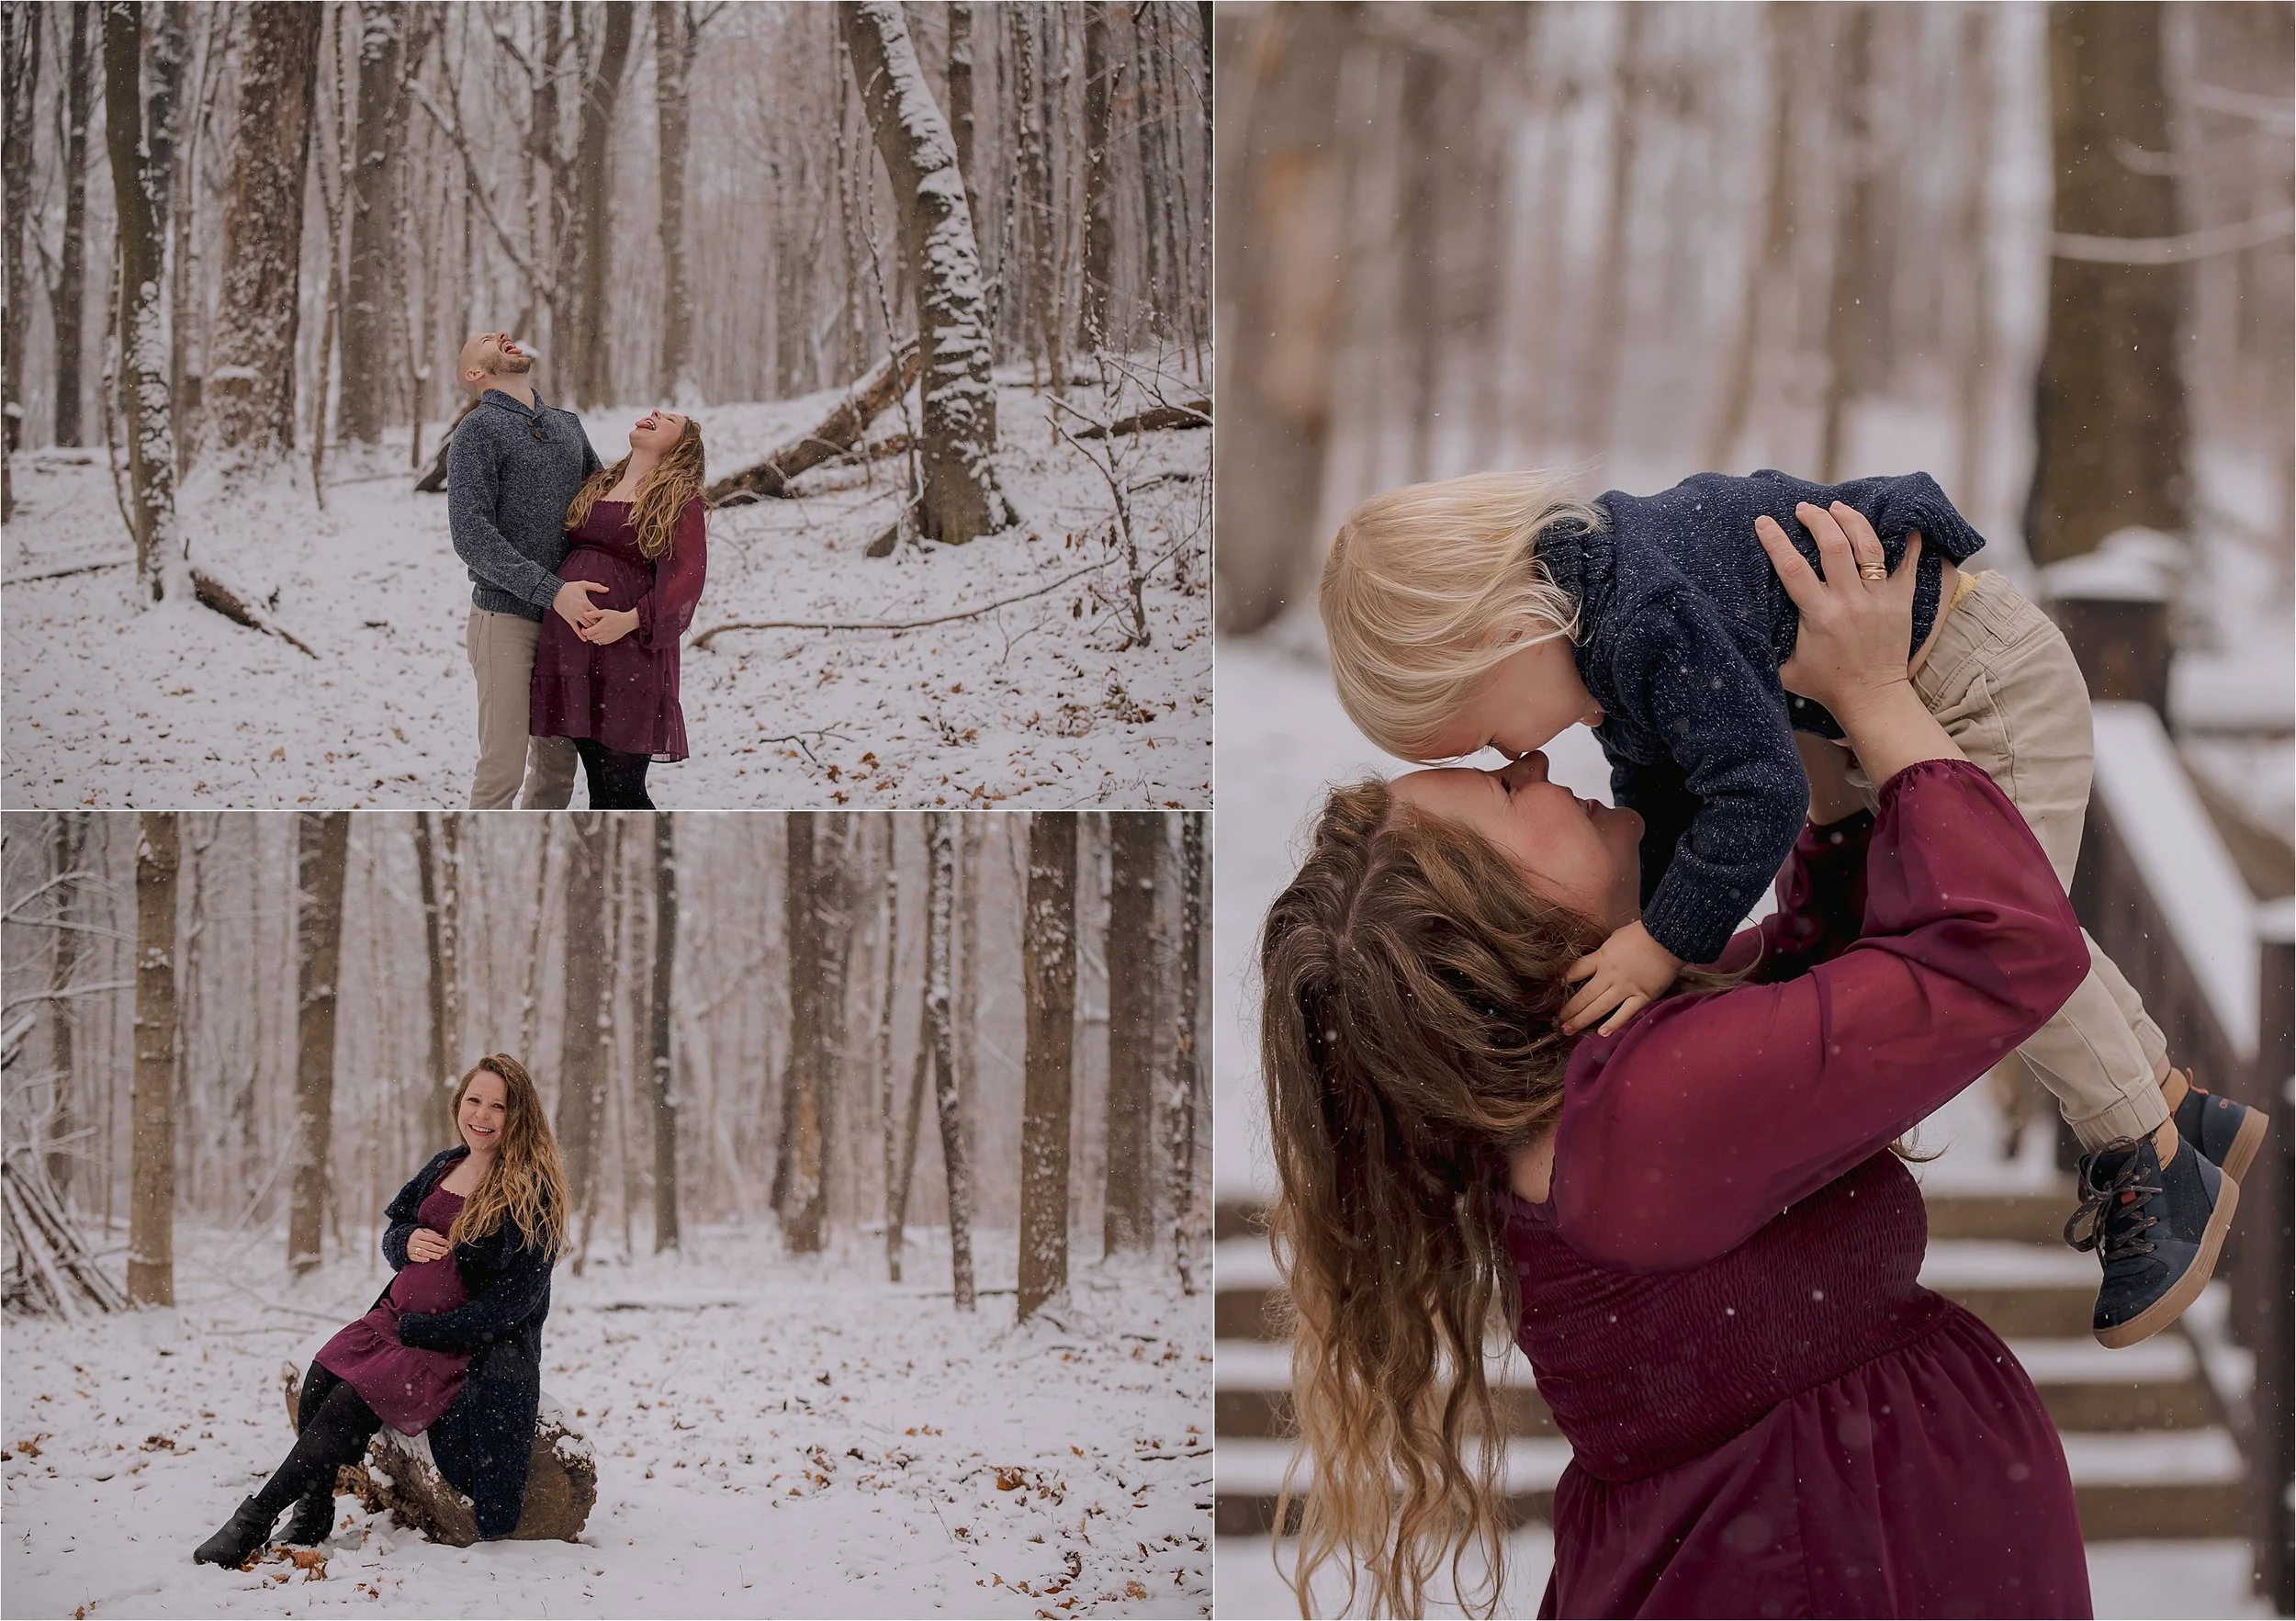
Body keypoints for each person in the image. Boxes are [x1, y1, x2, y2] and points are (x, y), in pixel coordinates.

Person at [1261, 507, 2119, 1617]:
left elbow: (1830, 975)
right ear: (1503, 928)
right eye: (1504, 792)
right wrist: (1873, 698)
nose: (1531, 762)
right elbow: (2003, 948)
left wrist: (1812, 767)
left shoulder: (1603, 1079)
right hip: (1835, 1567)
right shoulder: (1643, 1115)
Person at [1317, 469, 2266, 1346]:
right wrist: (1653, 929)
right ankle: (2178, 1110)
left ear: (1503, 634)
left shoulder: (1640, 616)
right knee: (2009, 915)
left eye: (1489, 735)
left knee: (2008, 932)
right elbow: (1666, 795)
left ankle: (2146, 1153)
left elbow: (1759, 794)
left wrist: (1663, 941)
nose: (1520, 755)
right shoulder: (1610, 631)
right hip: (1910, 693)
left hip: (1976, 685)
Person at [193, 1056, 567, 1566]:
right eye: (474, 1100)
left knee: (351, 1400)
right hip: (396, 1320)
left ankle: (254, 1518)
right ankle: (314, 1510)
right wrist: (407, 1240)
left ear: (518, 1116)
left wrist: (429, 1330)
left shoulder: (531, 1190)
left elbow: (512, 1304)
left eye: (498, 1106)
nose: (481, 1115)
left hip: (455, 1345)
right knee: (321, 1375)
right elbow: (395, 1233)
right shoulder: (447, 1164)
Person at [446, 332, 609, 810]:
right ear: (476, 373)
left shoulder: (566, 425)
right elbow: (471, 536)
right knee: (503, 768)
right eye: (486, 340)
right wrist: (551, 590)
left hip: (568, 623)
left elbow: (598, 507)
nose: (503, 336)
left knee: (557, 773)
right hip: (505, 621)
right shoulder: (477, 431)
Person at [529, 410, 709, 810]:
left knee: (624, 789)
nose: (655, 413)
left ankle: (645, 850)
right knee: (600, 788)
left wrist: (630, 620)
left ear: (681, 447)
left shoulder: (679, 498)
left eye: (670, 420)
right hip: (574, 649)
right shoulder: (598, 482)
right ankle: (609, 849)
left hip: (630, 652)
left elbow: (686, 579)